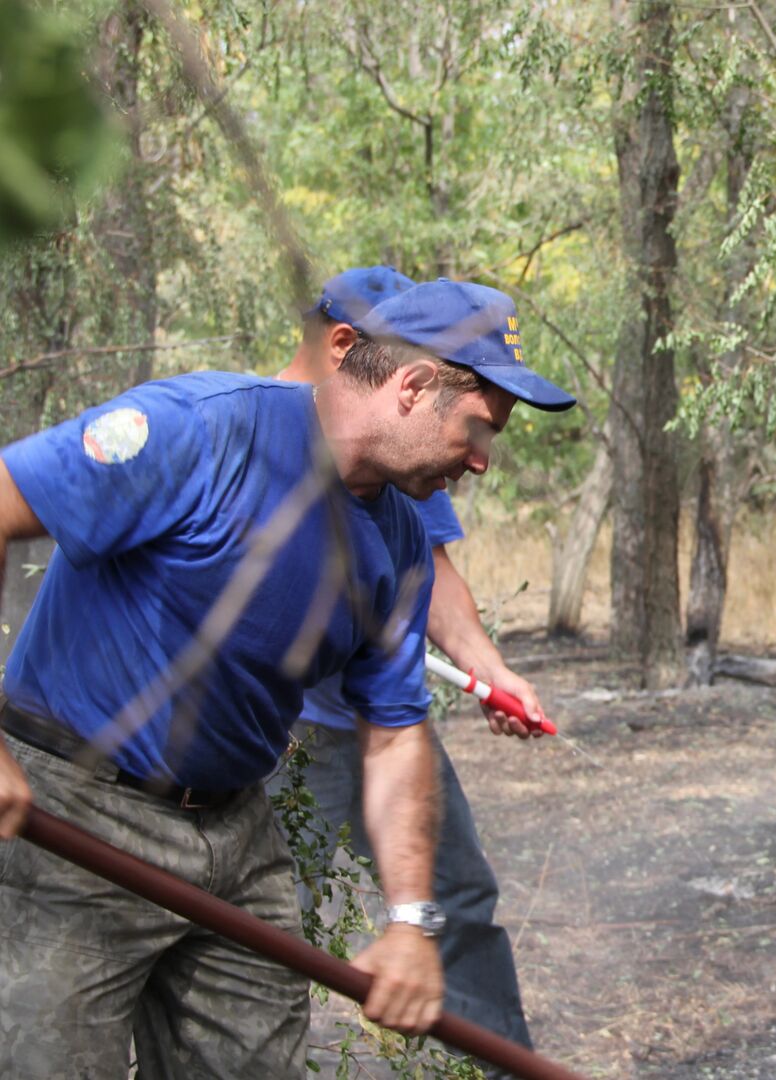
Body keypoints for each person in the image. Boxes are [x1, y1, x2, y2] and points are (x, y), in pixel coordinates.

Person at [0, 278, 573, 1078]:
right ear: (411, 386)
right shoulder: (200, 431)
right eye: (479, 429)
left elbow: (396, 730)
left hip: (237, 831)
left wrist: (409, 920)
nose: (481, 460)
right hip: (74, 813)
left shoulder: (401, 547)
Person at [268, 268, 549, 1056]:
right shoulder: (241, 432)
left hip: (383, 720)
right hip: (280, 738)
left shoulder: (409, 446)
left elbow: (431, 573)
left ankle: (491, 1064)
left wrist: (490, 669)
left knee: (452, 897)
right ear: (346, 345)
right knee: (268, 923)